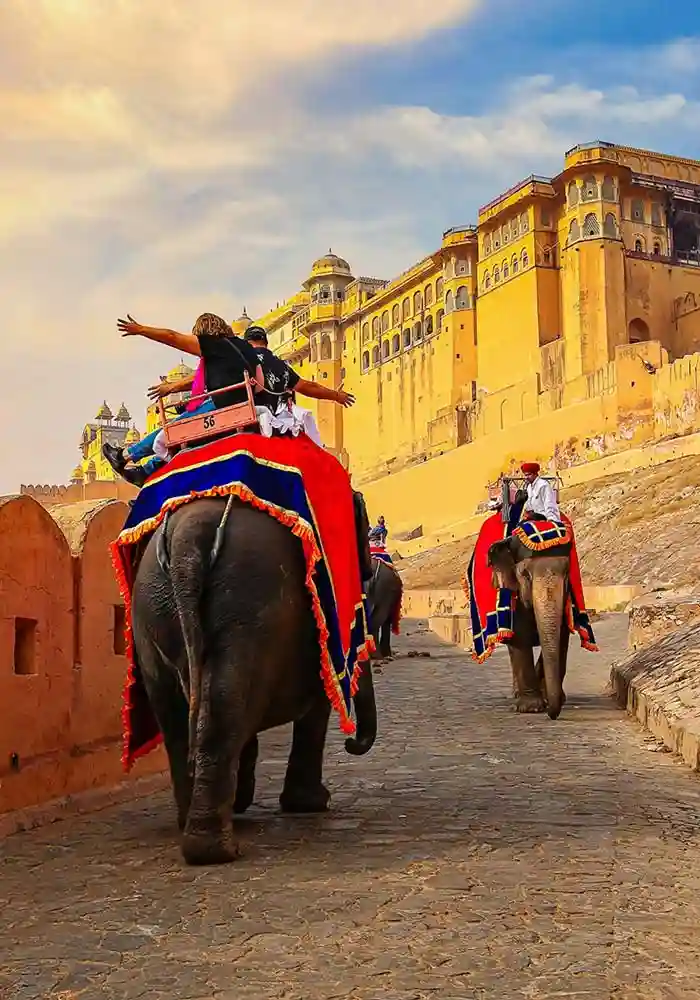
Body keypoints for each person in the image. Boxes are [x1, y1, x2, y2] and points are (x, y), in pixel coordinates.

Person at [109, 313, 264, 486]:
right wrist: (172, 387)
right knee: (185, 437)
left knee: (172, 429)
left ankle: (125, 455)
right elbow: (259, 384)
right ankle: (149, 469)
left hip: (222, 407)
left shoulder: (213, 344)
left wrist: (141, 330)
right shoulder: (245, 348)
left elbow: (172, 337)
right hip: (246, 407)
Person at [241, 325, 355, 444]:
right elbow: (307, 387)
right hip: (271, 425)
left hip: (246, 421)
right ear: (266, 343)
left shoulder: (243, 359)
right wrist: (337, 396)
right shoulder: (281, 366)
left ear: (246, 343)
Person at [102, 364, 204, 485]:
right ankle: (145, 474)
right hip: (216, 401)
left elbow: (206, 373)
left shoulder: (221, 350)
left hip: (219, 403)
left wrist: (172, 387)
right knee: (172, 438)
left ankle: (125, 456)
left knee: (172, 430)